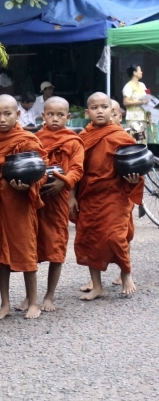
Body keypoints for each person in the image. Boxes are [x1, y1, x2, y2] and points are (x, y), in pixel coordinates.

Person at [70, 92, 143, 300]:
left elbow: (135, 165)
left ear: (113, 111)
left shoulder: (121, 137)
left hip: (115, 194)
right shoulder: (82, 138)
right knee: (90, 238)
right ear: (87, 112)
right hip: (89, 195)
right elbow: (76, 169)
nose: (99, 111)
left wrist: (132, 179)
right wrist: (72, 196)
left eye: (104, 107)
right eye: (94, 108)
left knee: (115, 236)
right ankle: (97, 285)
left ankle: (125, 273)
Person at [0, 94, 47, 320]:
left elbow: (40, 171)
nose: (2, 119)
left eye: (7, 114)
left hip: (19, 204)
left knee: (26, 250)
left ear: (17, 115)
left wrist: (27, 185)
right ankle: (5, 303)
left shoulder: (27, 139)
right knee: (0, 254)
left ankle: (34, 302)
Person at [30, 97, 84, 311]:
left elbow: (77, 169)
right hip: (36, 198)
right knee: (30, 245)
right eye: (50, 114)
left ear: (68, 117)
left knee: (57, 246)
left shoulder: (73, 141)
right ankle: (30, 296)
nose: (55, 119)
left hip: (58, 201)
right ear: (43, 116)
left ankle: (49, 296)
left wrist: (64, 185)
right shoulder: (35, 139)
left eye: (60, 115)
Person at [123, 65, 149, 144]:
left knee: (143, 142)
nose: (141, 72)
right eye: (140, 70)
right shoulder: (128, 86)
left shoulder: (142, 85)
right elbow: (125, 102)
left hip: (143, 118)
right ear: (134, 73)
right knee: (135, 142)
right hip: (133, 119)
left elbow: (146, 99)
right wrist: (141, 102)